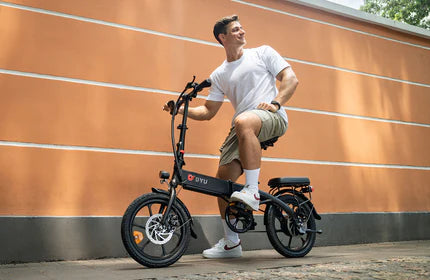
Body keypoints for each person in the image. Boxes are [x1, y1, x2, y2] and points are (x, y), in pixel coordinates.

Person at [163, 15, 298, 259]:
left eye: (241, 28)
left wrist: (277, 103)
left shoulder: (262, 53)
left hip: (271, 115)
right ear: (222, 38)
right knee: (221, 184)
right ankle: (231, 243)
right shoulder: (219, 74)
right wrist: (180, 109)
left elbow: (291, 79)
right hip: (243, 125)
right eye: (235, 30)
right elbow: (207, 111)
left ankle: (253, 191)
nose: (242, 32)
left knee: (242, 120)